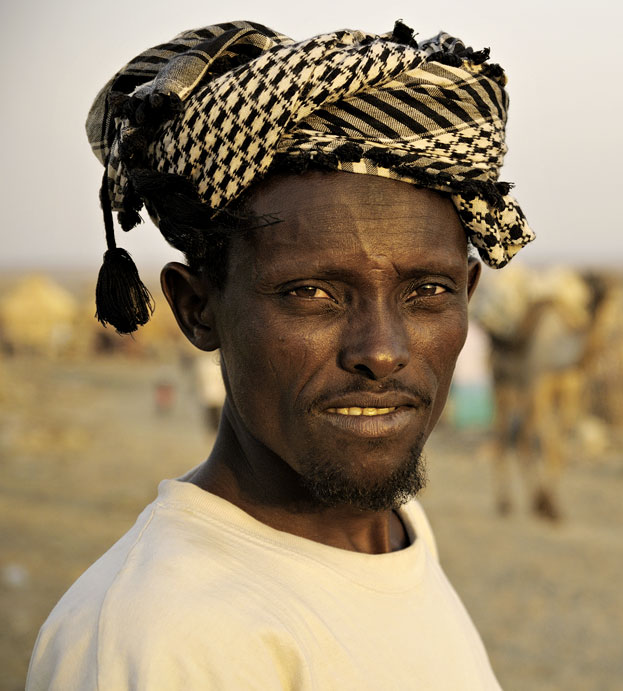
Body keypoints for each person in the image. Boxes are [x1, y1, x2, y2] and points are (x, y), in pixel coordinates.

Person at [28, 20, 534, 690]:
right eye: (312, 292)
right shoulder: (162, 640)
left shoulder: (392, 534)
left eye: (427, 291)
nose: (382, 351)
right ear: (198, 308)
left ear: (468, 296)